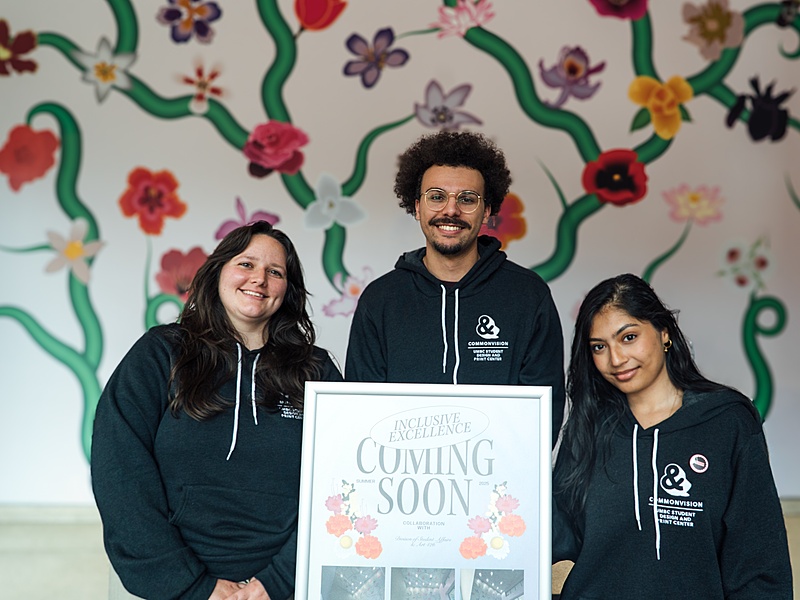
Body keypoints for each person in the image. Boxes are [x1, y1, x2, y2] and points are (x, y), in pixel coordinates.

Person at [91, 221, 342, 600]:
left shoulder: (316, 370)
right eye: (246, 264)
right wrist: (192, 585)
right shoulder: (162, 353)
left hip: (286, 587)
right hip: (171, 586)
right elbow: (119, 468)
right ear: (219, 271)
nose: (259, 279)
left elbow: (342, 481)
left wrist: (277, 583)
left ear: (286, 290)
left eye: (275, 272)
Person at [552, 273, 792, 598]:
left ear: (663, 333)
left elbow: (760, 562)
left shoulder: (727, 422)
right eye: (599, 346)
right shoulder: (588, 428)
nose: (616, 359)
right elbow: (556, 540)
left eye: (629, 337)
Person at [345, 130, 565, 445]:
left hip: (500, 487)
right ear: (417, 207)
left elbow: (544, 413)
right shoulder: (381, 299)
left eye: (467, 199)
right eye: (437, 197)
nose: (451, 211)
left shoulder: (529, 296)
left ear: (487, 210)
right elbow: (362, 411)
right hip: (400, 483)